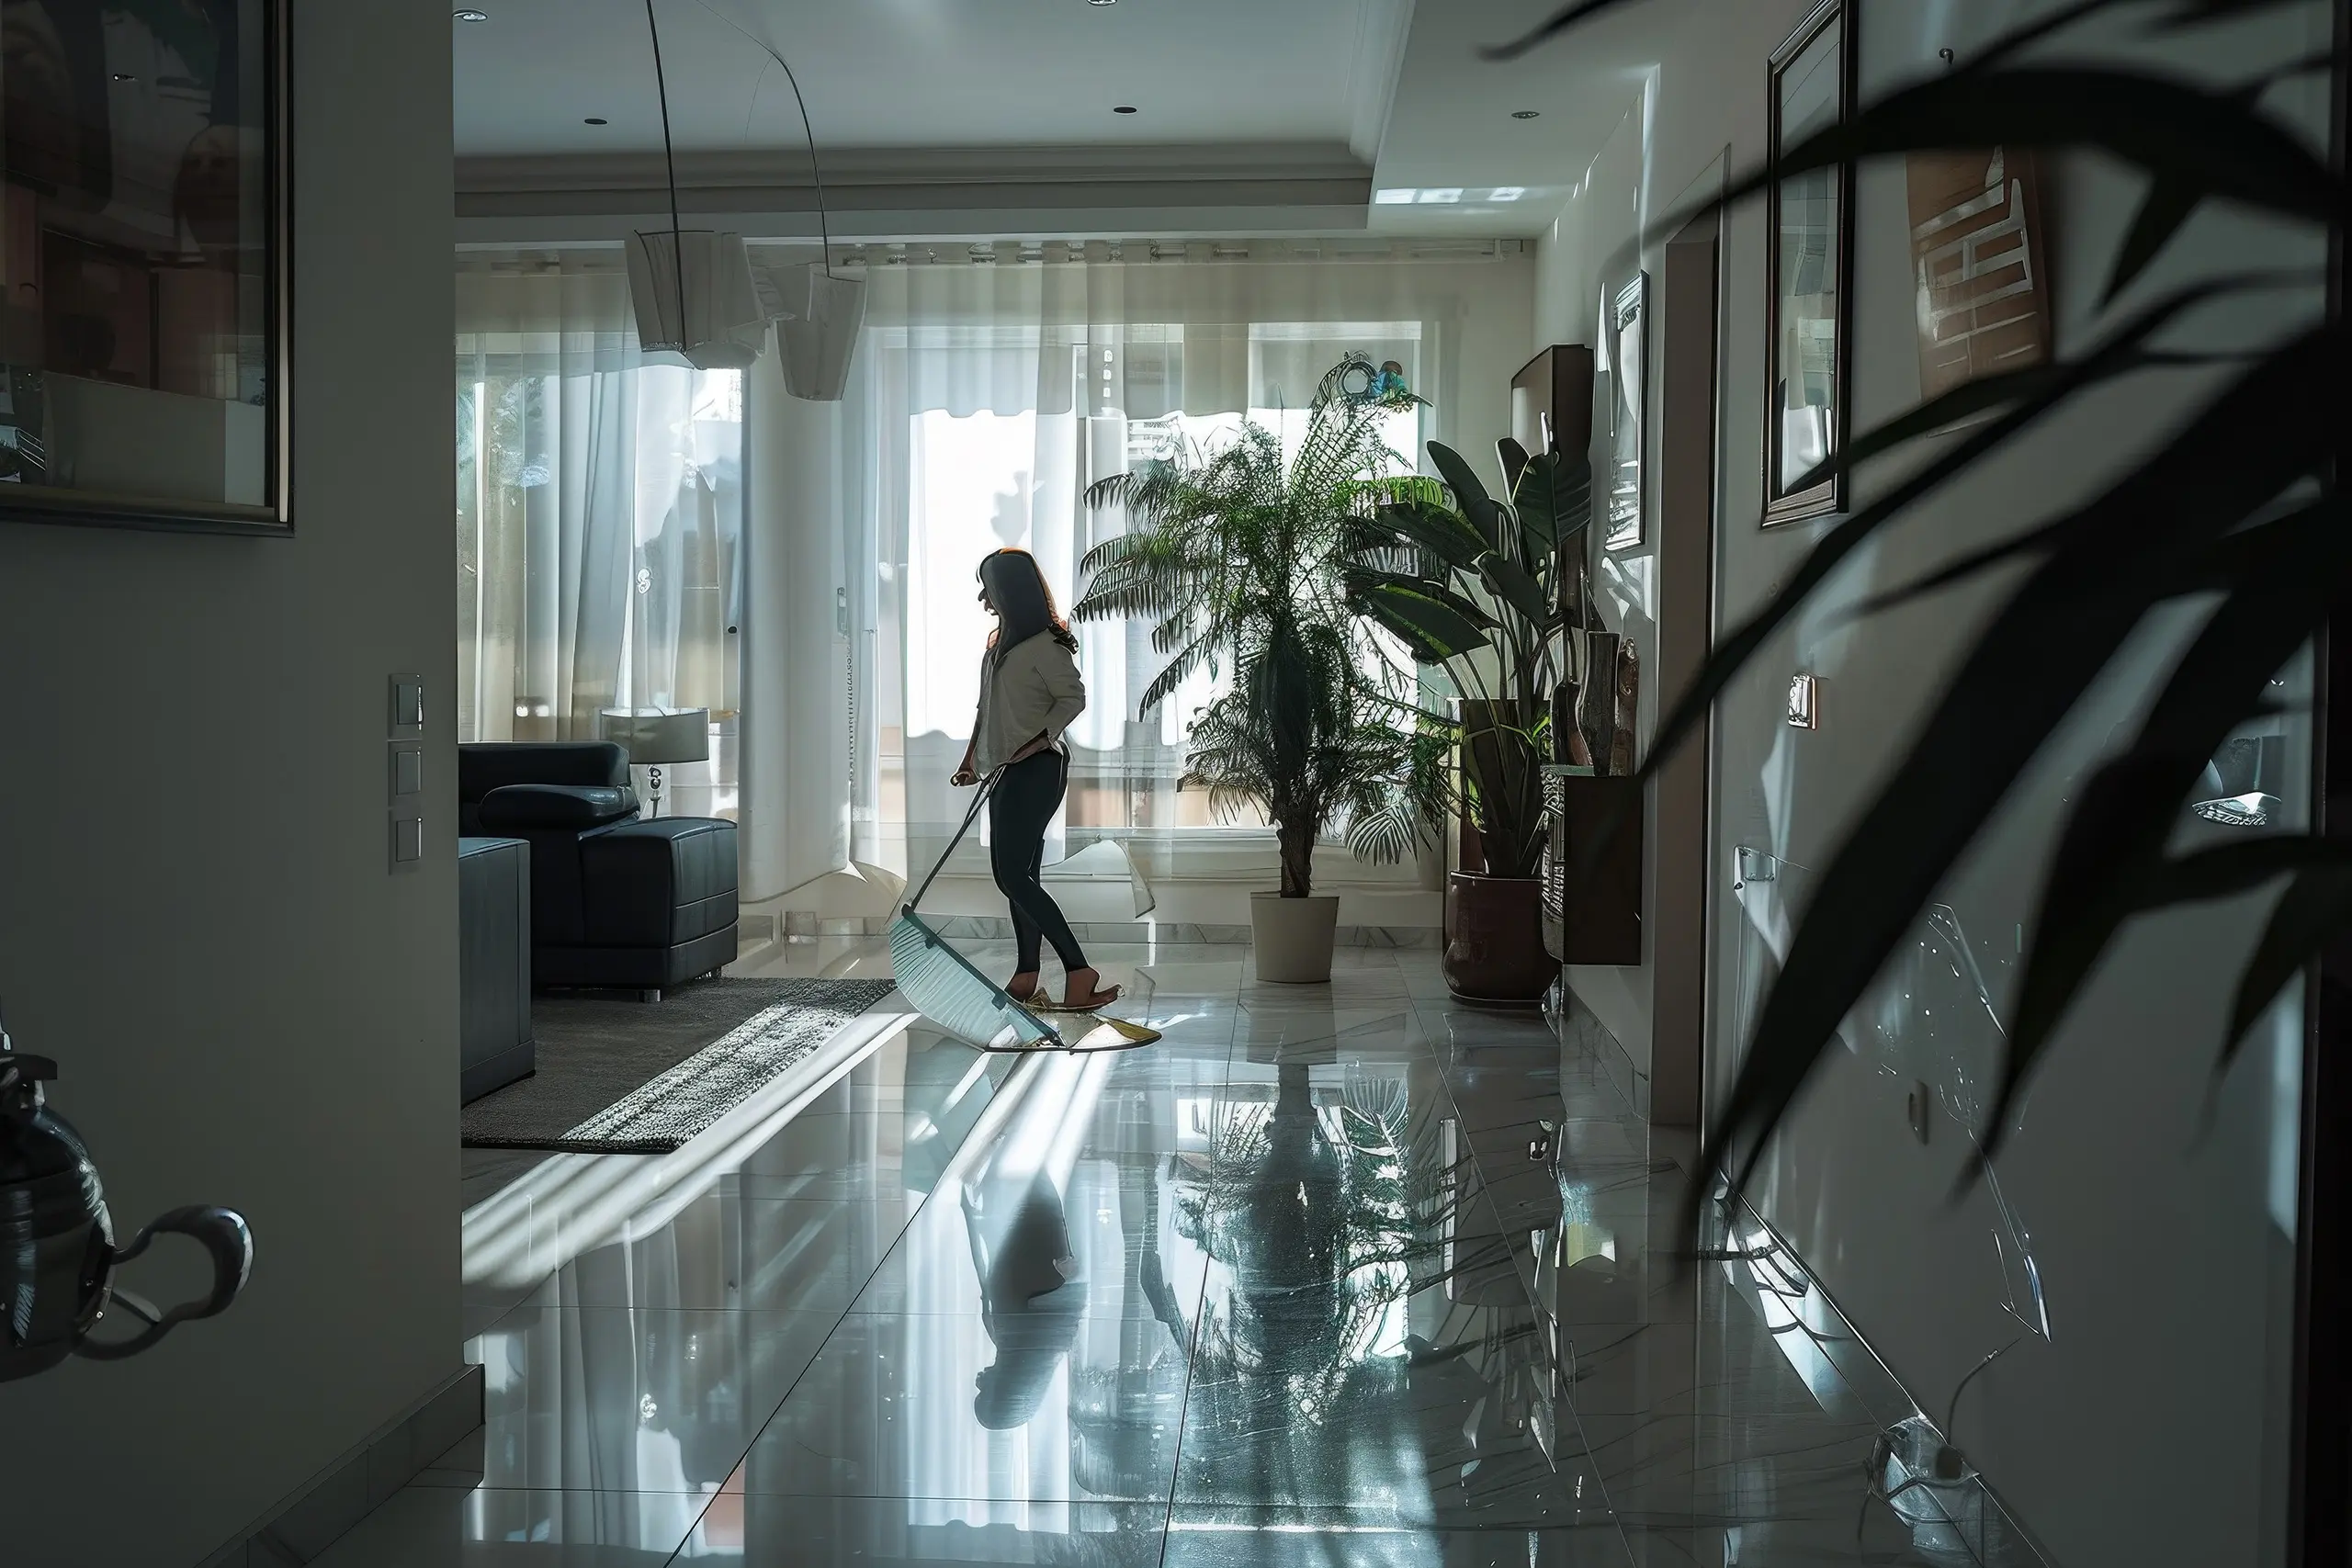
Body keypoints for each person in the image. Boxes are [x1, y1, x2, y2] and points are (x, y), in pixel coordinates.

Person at [951, 547, 1121, 1011]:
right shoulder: (997, 648)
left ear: (1010, 591)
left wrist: (1039, 740)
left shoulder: (1046, 645)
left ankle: (1079, 971)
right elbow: (986, 711)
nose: (983, 597)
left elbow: (1073, 698)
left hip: (1039, 768)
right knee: (1017, 877)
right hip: (1005, 770)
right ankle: (1027, 976)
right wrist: (970, 761)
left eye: (988, 587)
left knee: (1013, 876)